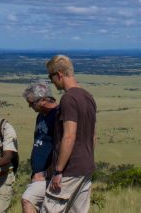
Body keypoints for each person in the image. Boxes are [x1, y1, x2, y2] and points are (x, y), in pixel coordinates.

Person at [43, 55, 96, 213]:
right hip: (85, 167)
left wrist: (58, 171)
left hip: (70, 169)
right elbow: (93, 136)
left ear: (59, 74)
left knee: (50, 209)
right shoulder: (88, 97)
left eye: (50, 76)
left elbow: (69, 136)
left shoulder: (68, 99)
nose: (51, 81)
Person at [21, 81, 60, 213]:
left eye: (32, 103)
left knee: (27, 199)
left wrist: (47, 172)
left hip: (48, 176)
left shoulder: (57, 115)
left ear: (43, 100)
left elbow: (60, 146)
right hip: (38, 176)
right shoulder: (41, 116)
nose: (29, 106)